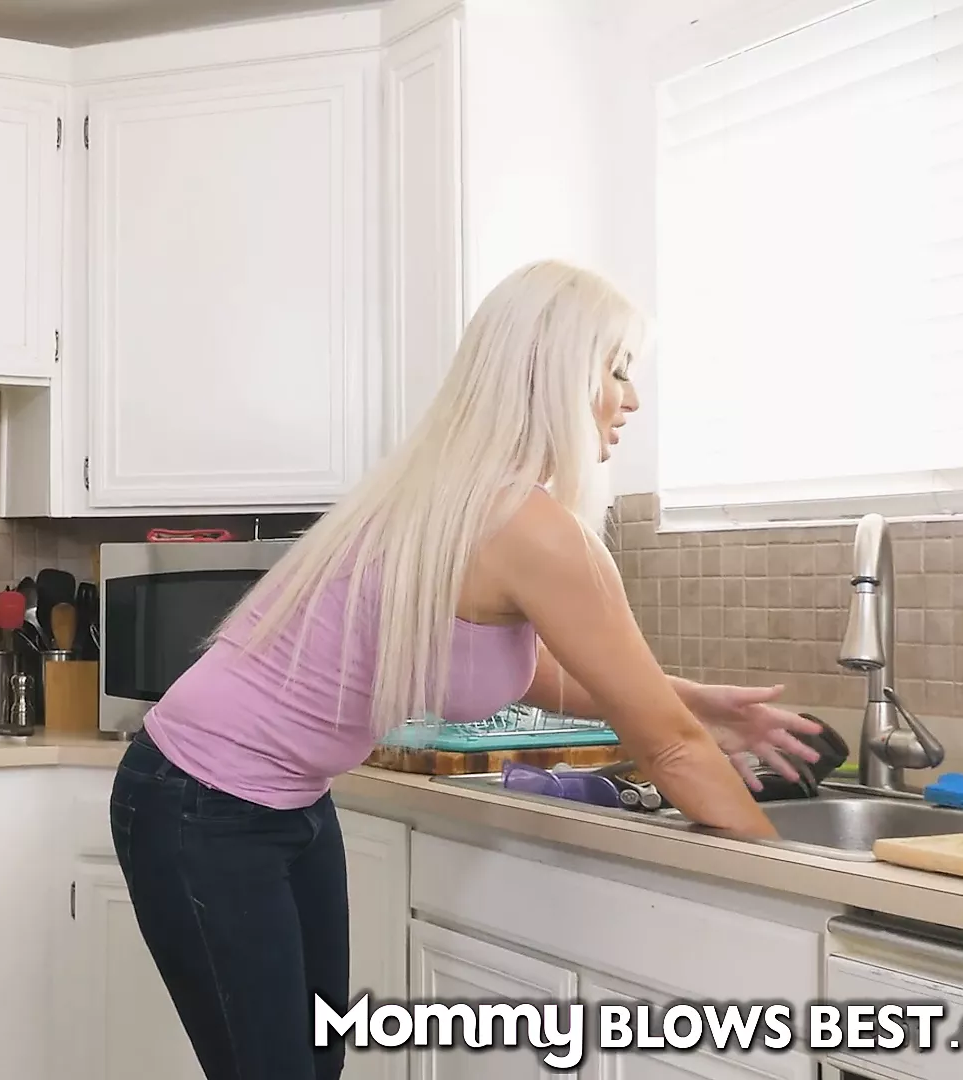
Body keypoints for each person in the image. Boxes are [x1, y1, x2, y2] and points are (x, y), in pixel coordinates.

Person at [109, 259, 821, 1080]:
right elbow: (671, 752)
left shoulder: (458, 494)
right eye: (618, 369)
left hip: (285, 802)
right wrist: (796, 884)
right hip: (199, 800)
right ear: (558, 373)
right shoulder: (524, 525)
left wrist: (690, 701)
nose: (632, 399)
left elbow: (526, 671)